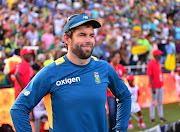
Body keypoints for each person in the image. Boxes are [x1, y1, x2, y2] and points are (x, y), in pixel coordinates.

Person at [10, 14, 131, 132]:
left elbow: (125, 96)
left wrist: (120, 128)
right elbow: (18, 109)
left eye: (91, 35)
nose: (88, 40)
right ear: (67, 39)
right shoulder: (51, 72)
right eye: (82, 35)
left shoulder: (104, 67)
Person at [106, 51, 127, 132]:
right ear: (112, 58)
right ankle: (112, 130)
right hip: (110, 94)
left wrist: (124, 77)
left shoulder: (120, 66)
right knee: (112, 113)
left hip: (119, 94)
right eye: (117, 57)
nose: (118, 59)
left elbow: (125, 72)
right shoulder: (108, 66)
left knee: (119, 113)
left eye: (119, 57)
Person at [147, 49, 167, 124]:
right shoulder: (150, 63)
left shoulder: (158, 63)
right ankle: (152, 118)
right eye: (159, 54)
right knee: (153, 103)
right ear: (156, 55)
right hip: (154, 87)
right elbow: (149, 75)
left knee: (160, 103)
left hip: (160, 85)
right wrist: (152, 87)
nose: (160, 55)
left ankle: (161, 117)